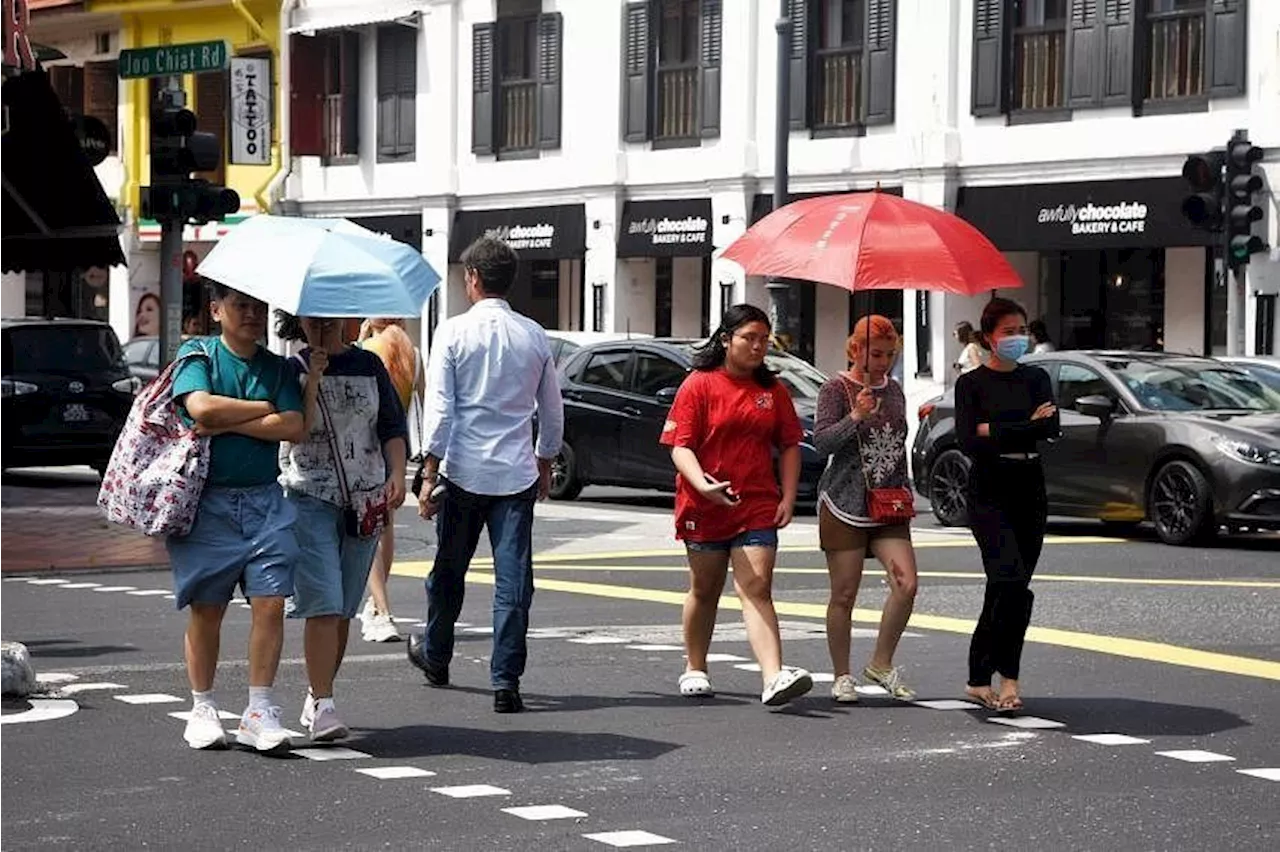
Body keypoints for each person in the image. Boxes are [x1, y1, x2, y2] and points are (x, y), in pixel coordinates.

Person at [408, 237, 564, 714]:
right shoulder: (534, 334)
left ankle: (436, 655)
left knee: (448, 573)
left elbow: (441, 410)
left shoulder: (453, 334)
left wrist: (429, 471)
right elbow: (551, 410)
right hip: (515, 475)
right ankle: (505, 681)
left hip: (462, 471)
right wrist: (544, 461)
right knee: (513, 582)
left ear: (472, 278)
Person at [167, 281, 308, 752]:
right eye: (240, 305)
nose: (251, 314)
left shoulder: (279, 366)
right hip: (208, 503)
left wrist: (226, 421)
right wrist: (262, 409)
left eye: (258, 306)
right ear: (216, 309)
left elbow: (294, 425)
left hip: (267, 500)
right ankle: (203, 706)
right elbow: (199, 406)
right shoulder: (198, 355)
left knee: (271, 603)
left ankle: (258, 709)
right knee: (207, 608)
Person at [660, 304, 813, 707]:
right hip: (704, 504)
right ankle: (695, 666)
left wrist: (789, 495)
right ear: (726, 339)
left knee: (757, 586)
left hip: (757, 503)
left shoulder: (772, 390)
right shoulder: (699, 384)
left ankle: (773, 676)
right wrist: (703, 486)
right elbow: (681, 447)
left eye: (764, 339)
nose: (758, 346)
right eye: (749, 338)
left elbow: (790, 444)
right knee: (705, 588)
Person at [276, 312, 408, 741]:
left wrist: (397, 474)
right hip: (309, 496)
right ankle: (326, 705)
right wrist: (311, 379)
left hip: (365, 499)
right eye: (314, 322)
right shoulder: (290, 370)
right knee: (325, 603)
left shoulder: (369, 365)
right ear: (300, 323)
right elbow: (295, 430)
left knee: (346, 607)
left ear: (348, 322)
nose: (324, 329)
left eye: (332, 321)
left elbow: (390, 425)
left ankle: (317, 697)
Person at [954, 297, 1060, 712]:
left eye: (1022, 331)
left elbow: (1049, 428)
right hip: (989, 488)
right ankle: (1009, 681)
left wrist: (995, 428)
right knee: (1010, 580)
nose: (1018, 338)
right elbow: (968, 439)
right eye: (1008, 332)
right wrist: (1023, 427)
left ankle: (980, 678)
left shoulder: (1036, 379)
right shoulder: (971, 384)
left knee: (1007, 587)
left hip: (1030, 485)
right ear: (987, 338)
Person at [813, 316, 918, 704]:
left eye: (890, 354)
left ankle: (881, 662)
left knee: (906, 583)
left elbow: (899, 444)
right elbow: (821, 442)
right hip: (844, 500)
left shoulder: (896, 391)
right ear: (855, 349)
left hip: (888, 501)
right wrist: (855, 416)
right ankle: (842, 675)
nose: (883, 362)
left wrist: (905, 491)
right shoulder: (834, 388)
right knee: (844, 593)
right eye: (876, 353)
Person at [356, 318, 426, 643]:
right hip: (399, 444)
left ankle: (381, 610)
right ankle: (376, 603)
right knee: (386, 526)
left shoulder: (368, 351)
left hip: (369, 444)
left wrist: (359, 337)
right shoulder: (412, 353)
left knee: (370, 527)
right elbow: (423, 402)